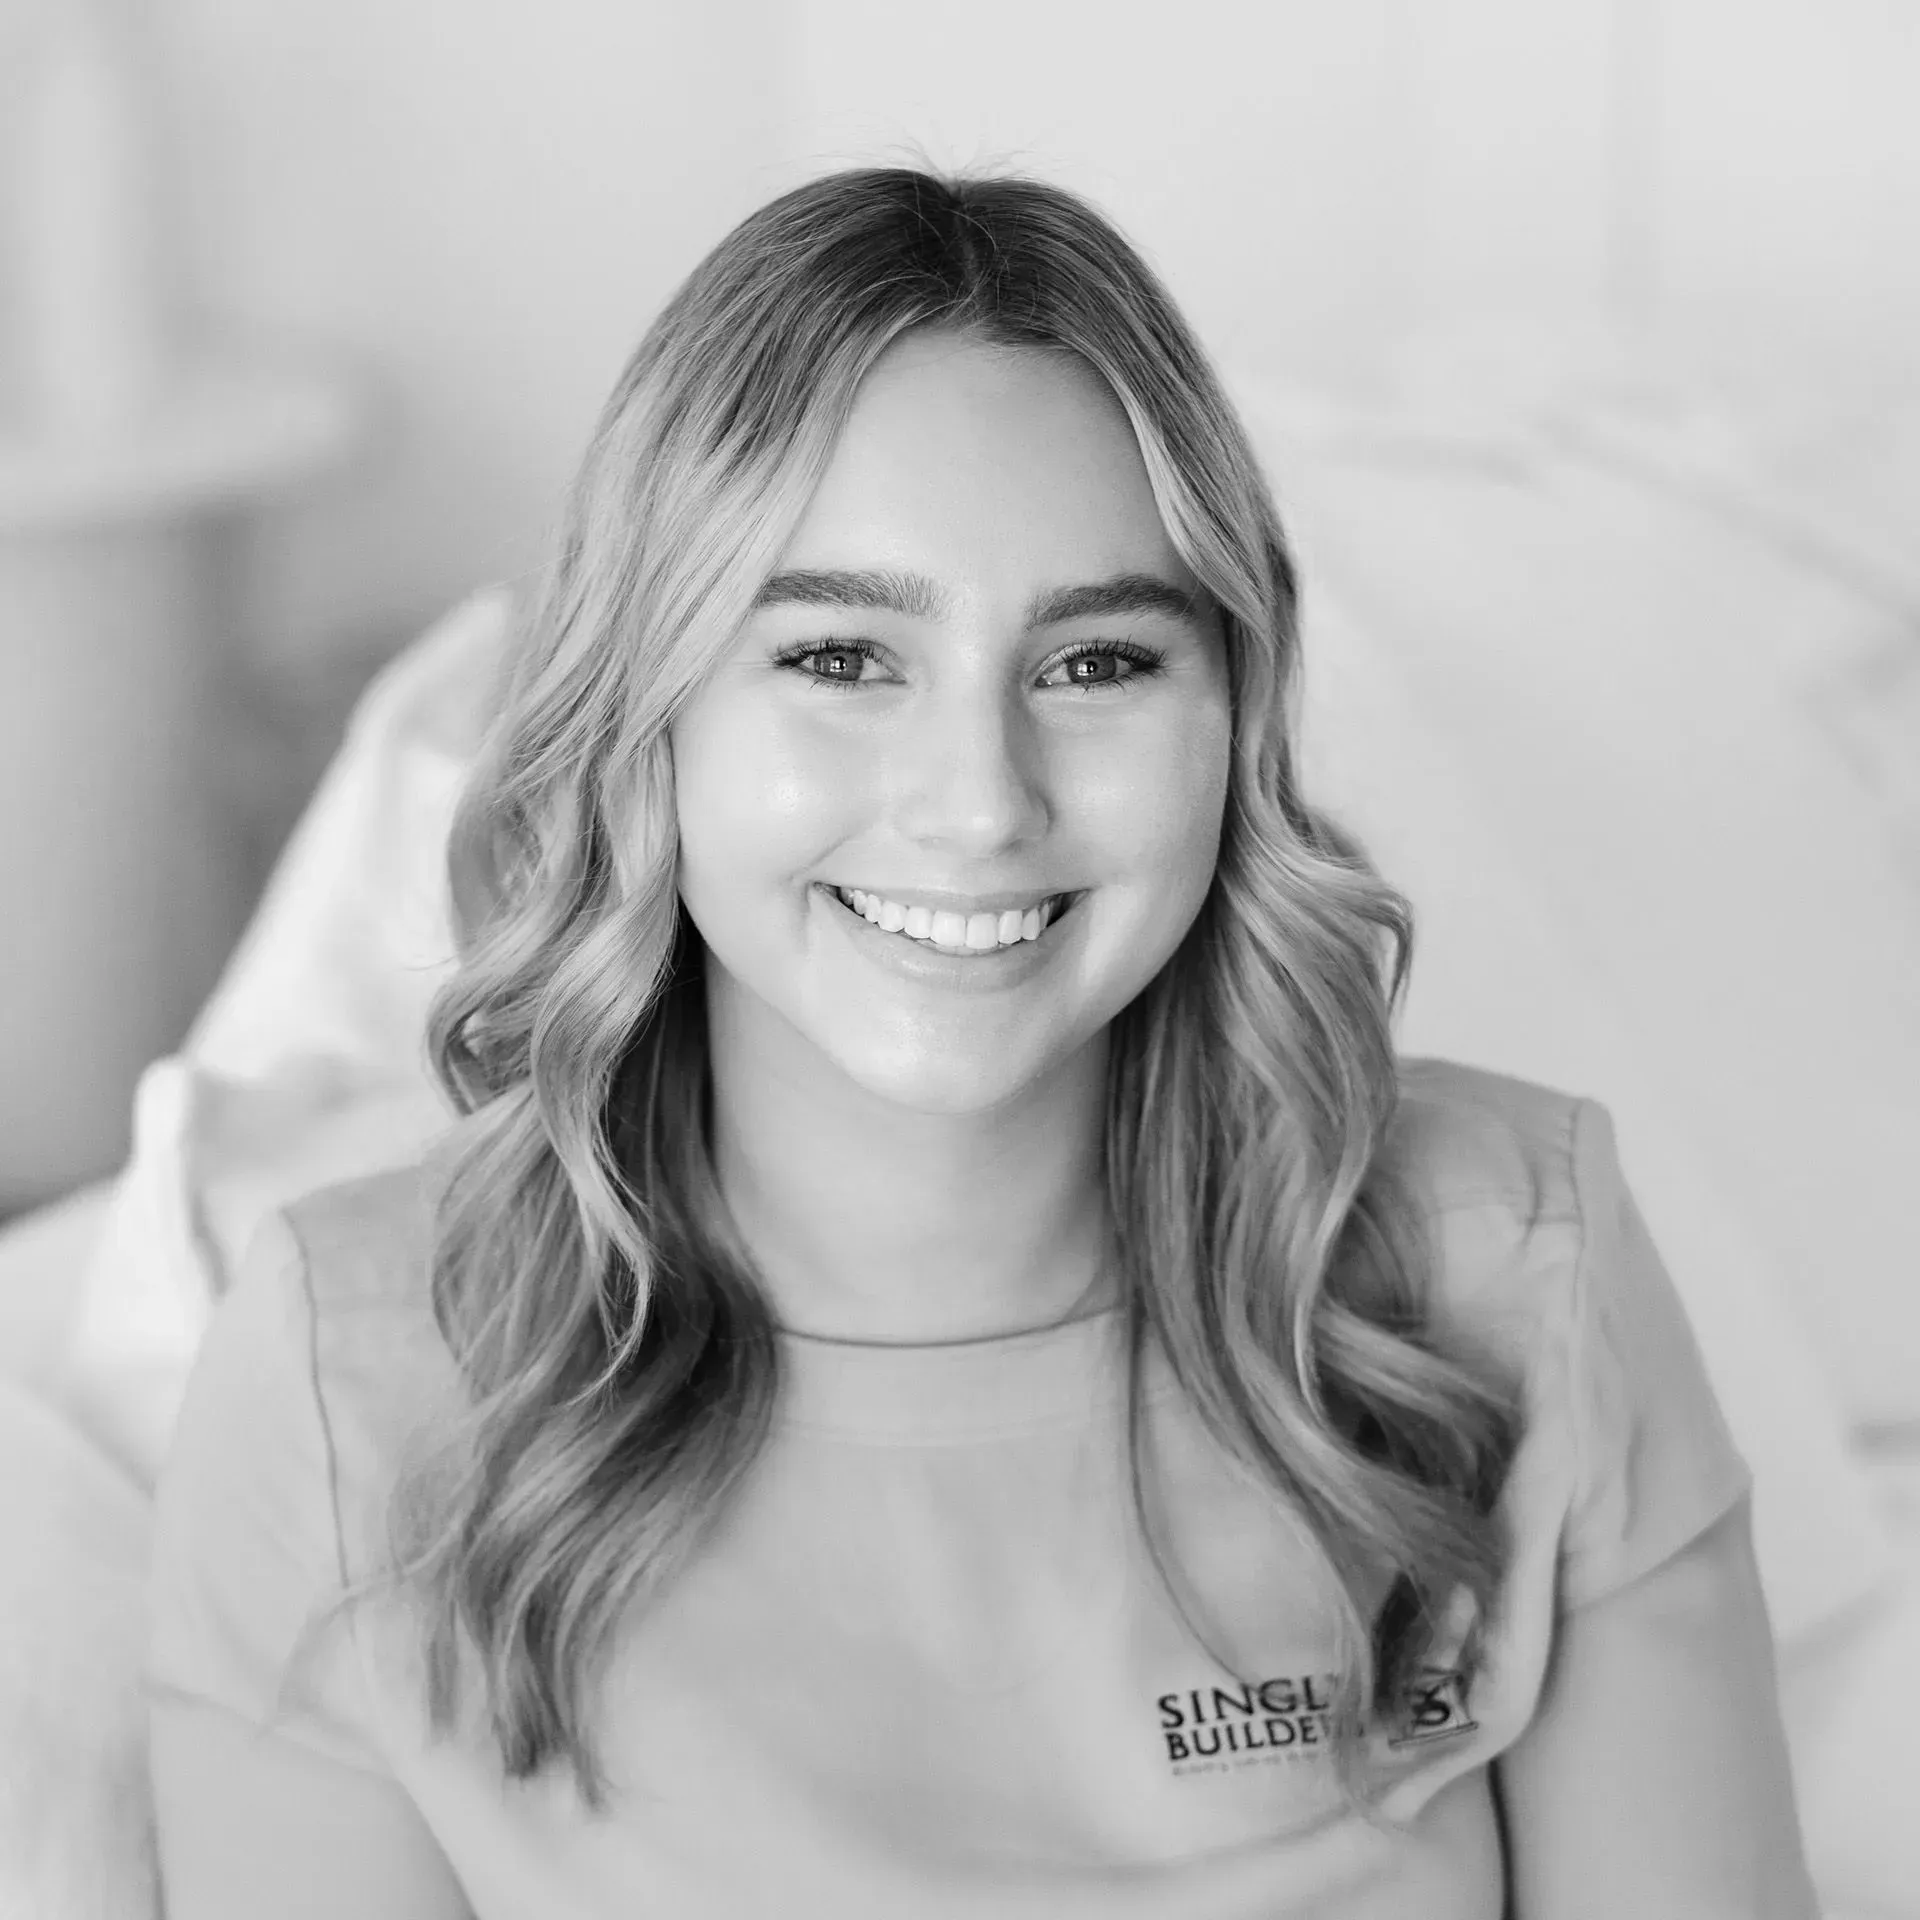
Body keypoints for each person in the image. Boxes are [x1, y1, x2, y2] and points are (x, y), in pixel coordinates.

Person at [144, 165, 1818, 1919]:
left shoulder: (1517, 1266)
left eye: (1096, 663)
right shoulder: (349, 1391)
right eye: (844, 656)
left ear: (1232, 722)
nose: (977, 805)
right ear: (653, 720)